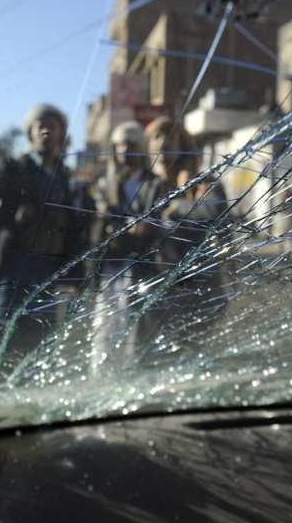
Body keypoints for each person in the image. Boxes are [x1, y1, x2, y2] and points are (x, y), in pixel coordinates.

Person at [0, 103, 91, 388]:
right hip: (17, 266)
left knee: (40, 336)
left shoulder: (64, 176)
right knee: (3, 334)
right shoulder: (15, 168)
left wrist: (76, 273)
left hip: (48, 269)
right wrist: (12, 215)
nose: (47, 131)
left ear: (62, 133)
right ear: (31, 133)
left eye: (53, 125)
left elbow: (74, 225)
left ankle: (25, 395)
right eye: (40, 126)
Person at [137, 116, 231, 364]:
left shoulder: (202, 182)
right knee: (152, 359)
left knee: (186, 358)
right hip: (159, 290)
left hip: (197, 289)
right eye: (156, 137)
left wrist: (179, 207)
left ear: (182, 143)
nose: (162, 143)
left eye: (169, 136)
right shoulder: (151, 187)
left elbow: (218, 213)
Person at [92, 120, 164, 368]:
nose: (124, 150)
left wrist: (140, 227)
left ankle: (132, 371)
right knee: (107, 321)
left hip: (137, 264)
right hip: (112, 263)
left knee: (134, 324)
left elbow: (155, 221)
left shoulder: (152, 183)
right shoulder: (109, 183)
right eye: (120, 145)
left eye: (130, 144)